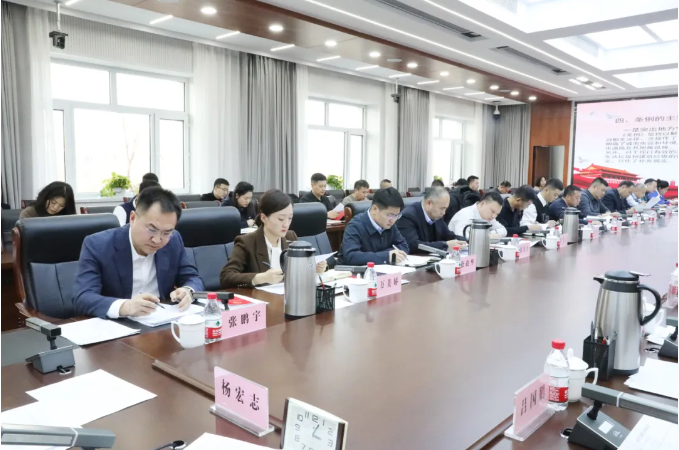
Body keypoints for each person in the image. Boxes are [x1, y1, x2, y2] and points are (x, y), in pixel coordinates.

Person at [72, 187, 204, 319]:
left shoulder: (174, 240)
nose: (157, 240)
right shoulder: (98, 245)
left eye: (166, 233)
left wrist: (188, 291)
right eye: (152, 229)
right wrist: (125, 306)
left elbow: (192, 278)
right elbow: (82, 297)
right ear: (133, 218)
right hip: (118, 323)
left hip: (162, 320)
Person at [220, 190, 327, 288]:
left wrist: (314, 267)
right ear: (263, 218)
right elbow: (225, 277)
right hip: (262, 299)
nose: (286, 224)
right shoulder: (247, 242)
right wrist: (260, 278)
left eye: (290, 218)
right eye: (281, 219)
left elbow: (298, 269)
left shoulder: (291, 237)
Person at [337, 187, 409, 265]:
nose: (393, 220)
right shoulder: (355, 225)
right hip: (352, 271)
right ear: (375, 209)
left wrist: (388, 255)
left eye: (396, 215)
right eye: (390, 215)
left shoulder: (389, 224)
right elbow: (351, 256)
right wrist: (386, 256)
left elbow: (404, 246)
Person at [397, 187, 466, 254]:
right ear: (429, 203)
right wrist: (445, 245)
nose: (444, 213)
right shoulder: (408, 216)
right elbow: (413, 245)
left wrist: (467, 241)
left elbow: (449, 236)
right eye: (442, 208)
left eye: (445, 209)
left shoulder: (436, 215)